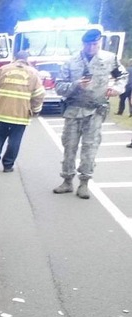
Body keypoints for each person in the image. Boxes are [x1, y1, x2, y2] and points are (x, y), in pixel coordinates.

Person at [53, 28, 128, 199]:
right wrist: (76, 85)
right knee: (69, 146)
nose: (91, 47)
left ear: (99, 43)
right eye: (88, 44)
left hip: (95, 111)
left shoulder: (109, 59)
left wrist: (117, 88)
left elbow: (123, 75)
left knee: (90, 148)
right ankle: (67, 181)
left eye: (95, 44)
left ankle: (84, 182)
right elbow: (59, 87)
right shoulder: (71, 62)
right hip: (73, 110)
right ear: (83, 44)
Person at [0, 51, 45, 172]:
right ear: (27, 59)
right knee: (15, 139)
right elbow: (39, 94)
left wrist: (9, 65)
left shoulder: (4, 69)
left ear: (14, 58)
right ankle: (8, 165)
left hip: (1, 111)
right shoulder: (33, 73)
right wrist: (35, 109)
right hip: (21, 114)